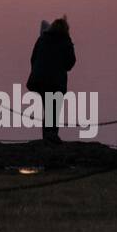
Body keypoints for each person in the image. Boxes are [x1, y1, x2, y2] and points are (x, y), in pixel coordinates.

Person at [26, 15, 77, 143]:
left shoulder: (42, 39)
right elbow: (70, 63)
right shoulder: (65, 41)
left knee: (48, 108)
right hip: (56, 82)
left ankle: (48, 136)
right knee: (54, 110)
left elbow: (33, 58)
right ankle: (51, 136)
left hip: (41, 81)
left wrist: (38, 71)